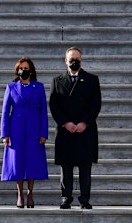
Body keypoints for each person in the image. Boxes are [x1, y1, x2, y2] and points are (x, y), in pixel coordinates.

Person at [49, 47, 102, 209]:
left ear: (81, 60)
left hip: (85, 130)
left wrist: (84, 122)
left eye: (77, 58)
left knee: (85, 166)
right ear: (65, 61)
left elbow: (96, 104)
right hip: (66, 130)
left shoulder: (92, 80)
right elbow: (53, 105)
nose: (74, 61)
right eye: (71, 58)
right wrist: (66, 123)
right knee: (66, 166)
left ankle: (85, 198)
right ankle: (66, 197)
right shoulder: (57, 81)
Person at [0, 57, 49, 208]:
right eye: (21, 68)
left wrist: (43, 133)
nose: (23, 71)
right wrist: (5, 134)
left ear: (31, 70)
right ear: (17, 70)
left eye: (26, 68)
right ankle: (20, 193)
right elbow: (5, 111)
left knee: (32, 161)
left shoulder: (39, 87)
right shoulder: (11, 87)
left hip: (34, 128)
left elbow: (43, 112)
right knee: (18, 161)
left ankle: (31, 193)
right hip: (17, 128)